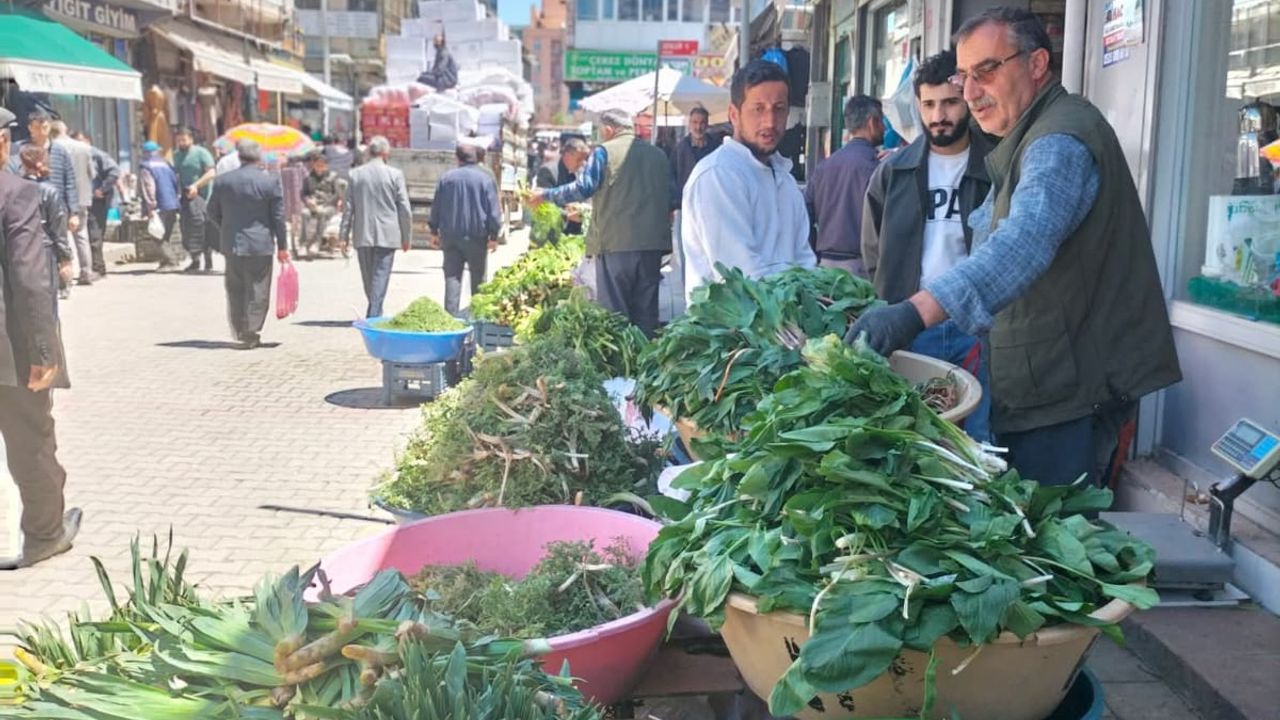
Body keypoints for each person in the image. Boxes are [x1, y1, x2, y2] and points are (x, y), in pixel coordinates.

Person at [846, 8, 1181, 487]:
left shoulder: (1058, 141)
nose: (970, 92)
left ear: (1037, 64)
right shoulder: (1020, 137)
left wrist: (915, 312)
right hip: (1040, 387)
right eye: (965, 77)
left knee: (1056, 540)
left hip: (1067, 397)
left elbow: (1021, 245)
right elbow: (990, 234)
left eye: (987, 71)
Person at [860, 50, 994, 442]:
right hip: (914, 325)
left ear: (967, 98)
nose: (939, 116)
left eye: (950, 102)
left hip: (978, 329)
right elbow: (873, 249)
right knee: (916, 437)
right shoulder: (893, 170)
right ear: (917, 105)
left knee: (980, 436)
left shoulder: (996, 166)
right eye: (929, 104)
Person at [0, 107, 81, 571]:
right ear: (4, 144)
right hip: (10, 351)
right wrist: (44, 351)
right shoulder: (15, 194)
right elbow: (31, 278)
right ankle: (45, 535)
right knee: (31, 442)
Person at [682, 60, 816, 300]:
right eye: (758, 109)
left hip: (789, 327)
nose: (770, 122)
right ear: (734, 114)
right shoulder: (718, 175)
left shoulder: (785, 180)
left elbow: (804, 262)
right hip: (731, 333)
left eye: (779, 108)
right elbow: (739, 275)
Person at [531, 109, 672, 336]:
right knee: (646, 317)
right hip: (653, 248)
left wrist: (545, 195)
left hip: (616, 246)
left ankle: (620, 369)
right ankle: (645, 368)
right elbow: (671, 199)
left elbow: (583, 188)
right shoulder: (659, 155)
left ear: (608, 130)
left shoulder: (604, 152)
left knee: (615, 317)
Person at [207, 140, 289, 349]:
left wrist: (226, 227)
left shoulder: (223, 181)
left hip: (232, 243)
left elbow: (211, 211)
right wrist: (282, 246)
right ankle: (251, 330)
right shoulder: (270, 181)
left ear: (239, 156)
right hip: (260, 244)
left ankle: (240, 329)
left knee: (235, 287)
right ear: (259, 157)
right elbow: (278, 217)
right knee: (258, 287)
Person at [804, 96, 884, 276]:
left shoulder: (823, 167)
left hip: (823, 265)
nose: (884, 128)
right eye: (881, 122)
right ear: (872, 122)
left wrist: (814, 255)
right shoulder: (877, 169)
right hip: (862, 267)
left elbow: (804, 214)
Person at [340, 136, 412, 318]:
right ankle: (375, 311)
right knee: (380, 276)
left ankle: (374, 311)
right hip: (388, 234)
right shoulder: (395, 175)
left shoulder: (355, 175)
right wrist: (406, 237)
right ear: (386, 153)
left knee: (369, 277)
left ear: (370, 152)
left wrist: (343, 236)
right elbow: (404, 208)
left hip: (363, 232)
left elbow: (348, 208)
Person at [430, 144, 501, 315]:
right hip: (477, 237)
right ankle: (477, 318)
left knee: (452, 278)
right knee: (478, 280)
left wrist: (434, 231)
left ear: (457, 158)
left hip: (451, 237)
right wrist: (493, 235)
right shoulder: (485, 179)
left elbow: (436, 207)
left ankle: (450, 320)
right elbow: (493, 210)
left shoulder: (446, 178)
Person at [6, 111, 80, 275]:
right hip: (28, 208)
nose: (41, 131)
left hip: (57, 207)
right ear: (30, 128)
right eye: (37, 127)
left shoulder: (60, 151)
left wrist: (74, 212)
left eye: (44, 127)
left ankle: (62, 278)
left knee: (60, 241)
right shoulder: (18, 150)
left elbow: (70, 182)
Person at [18, 145, 73, 300]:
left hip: (19, 249)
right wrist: (65, 258)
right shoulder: (49, 191)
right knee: (47, 301)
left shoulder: (13, 189)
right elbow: (58, 227)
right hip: (44, 250)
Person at [50, 121, 96, 285]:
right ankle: (86, 272)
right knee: (82, 236)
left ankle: (65, 276)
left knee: (61, 236)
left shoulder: (52, 148)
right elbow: (93, 173)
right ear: (65, 130)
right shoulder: (83, 147)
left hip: (59, 197)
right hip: (82, 196)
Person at [72, 132, 120, 279]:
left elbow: (114, 171)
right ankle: (90, 267)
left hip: (96, 201)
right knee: (83, 235)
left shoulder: (97, 155)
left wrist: (102, 189)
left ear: (87, 141)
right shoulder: (73, 156)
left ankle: (98, 267)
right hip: (81, 200)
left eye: (80, 142)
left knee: (95, 234)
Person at [172, 126, 217, 272]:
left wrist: (196, 186)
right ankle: (195, 260)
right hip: (186, 199)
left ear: (191, 139)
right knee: (188, 229)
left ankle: (208, 261)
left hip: (202, 198)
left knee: (203, 228)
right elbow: (175, 175)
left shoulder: (201, 153)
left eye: (184, 140)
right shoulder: (177, 155)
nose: (182, 143)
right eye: (179, 140)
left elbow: (211, 173)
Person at [139, 141, 182, 270]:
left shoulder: (146, 167)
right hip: (172, 203)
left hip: (159, 204)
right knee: (165, 233)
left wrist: (150, 206)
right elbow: (176, 182)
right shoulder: (166, 164)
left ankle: (171, 260)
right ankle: (165, 261)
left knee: (156, 234)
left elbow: (148, 187)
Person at [534, 136, 590, 237]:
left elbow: (588, 198)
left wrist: (583, 209)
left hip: (578, 235)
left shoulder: (583, 171)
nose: (582, 163)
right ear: (567, 155)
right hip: (554, 233)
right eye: (579, 159)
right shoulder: (548, 171)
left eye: (584, 159)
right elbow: (543, 205)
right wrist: (567, 215)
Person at [300, 152, 344, 257]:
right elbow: (303, 194)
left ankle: (317, 242)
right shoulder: (308, 178)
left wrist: (324, 205)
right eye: (317, 165)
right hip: (312, 206)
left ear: (326, 165)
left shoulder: (333, 177)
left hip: (328, 207)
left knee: (322, 213)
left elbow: (337, 195)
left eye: (322, 165)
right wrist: (308, 201)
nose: (319, 168)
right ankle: (303, 243)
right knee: (304, 213)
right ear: (313, 165)